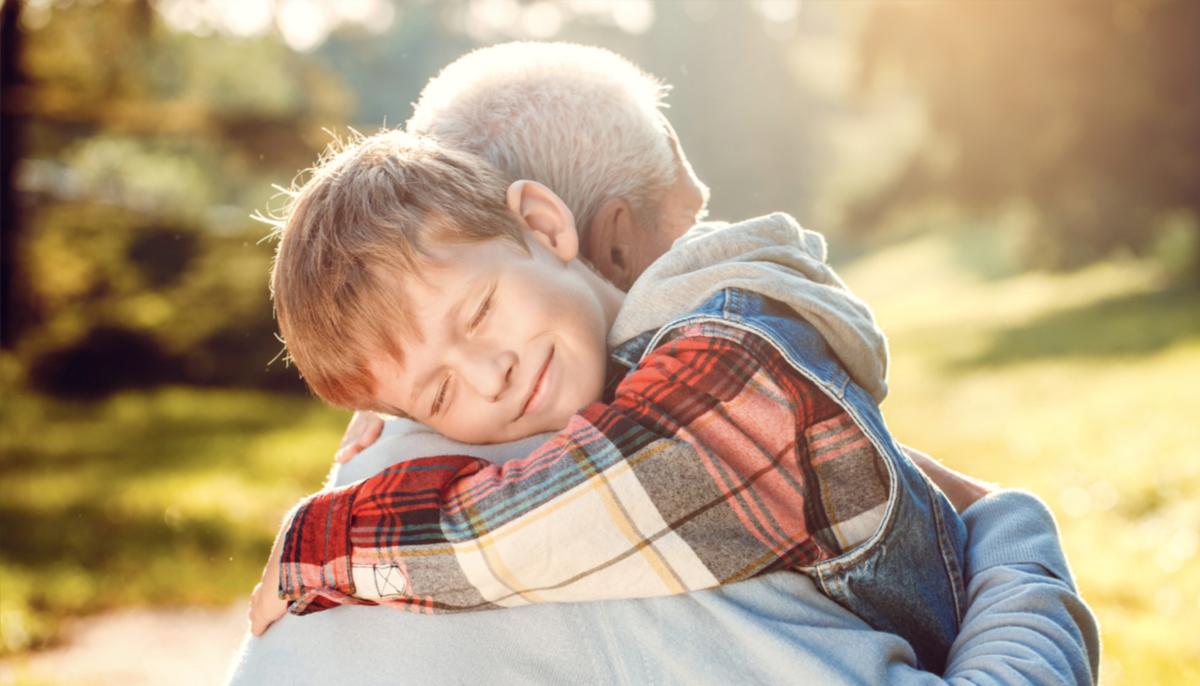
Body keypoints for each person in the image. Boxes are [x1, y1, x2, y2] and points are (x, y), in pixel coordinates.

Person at [230, 43, 1098, 685]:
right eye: (689, 223)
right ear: (601, 235)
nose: (487, 374)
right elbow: (527, 525)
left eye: (482, 315)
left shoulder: (398, 465)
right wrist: (1016, 538)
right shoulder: (590, 501)